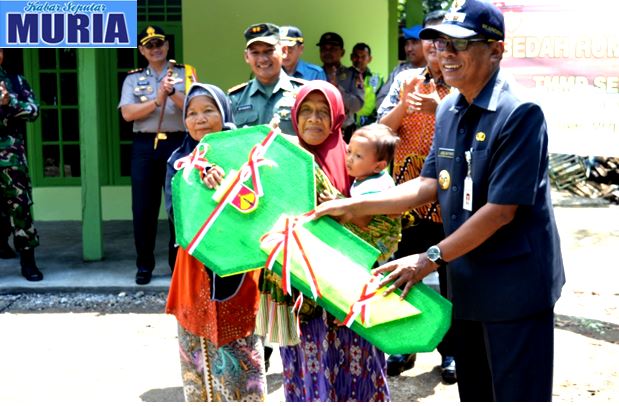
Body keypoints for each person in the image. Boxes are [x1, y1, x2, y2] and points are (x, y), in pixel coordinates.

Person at [314, 0, 566, 401]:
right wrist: (352, 205)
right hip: (466, 283)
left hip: (513, 287)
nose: (446, 54)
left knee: (518, 394)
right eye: (442, 43)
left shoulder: (519, 114)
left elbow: (500, 212)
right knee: (477, 392)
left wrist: (427, 258)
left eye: (461, 45)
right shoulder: (449, 108)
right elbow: (428, 183)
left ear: (496, 50)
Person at [279, 81, 395, 401]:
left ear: (337, 118)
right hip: (304, 298)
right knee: (308, 375)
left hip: (351, 297)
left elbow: (383, 225)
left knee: (358, 373)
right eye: (306, 111)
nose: (314, 119)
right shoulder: (283, 162)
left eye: (322, 112)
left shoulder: (358, 162)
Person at [165, 83, 266, 402]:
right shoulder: (178, 161)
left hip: (235, 265)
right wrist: (200, 185)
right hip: (192, 268)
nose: (200, 119)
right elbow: (176, 214)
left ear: (224, 113)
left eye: (209, 110)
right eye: (191, 113)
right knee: (197, 352)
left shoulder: (245, 153)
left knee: (240, 349)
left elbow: (257, 209)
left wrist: (229, 186)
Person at [377, 9, 457, 383]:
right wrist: (402, 106)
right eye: (428, 39)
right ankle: (403, 344)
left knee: (451, 278)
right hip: (407, 198)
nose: (434, 47)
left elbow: (474, 122)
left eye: (441, 40)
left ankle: (452, 352)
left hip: (452, 201)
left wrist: (439, 108)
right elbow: (380, 130)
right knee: (404, 274)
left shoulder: (464, 81)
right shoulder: (406, 79)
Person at [119, 25, 196, 285]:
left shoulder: (185, 73)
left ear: (167, 45)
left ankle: (178, 266)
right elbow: (128, 114)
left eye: (159, 43)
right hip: (144, 145)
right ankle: (144, 265)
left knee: (179, 206)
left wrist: (172, 93)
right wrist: (156, 101)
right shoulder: (132, 79)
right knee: (143, 207)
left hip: (177, 142)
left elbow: (195, 107)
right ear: (142, 50)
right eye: (149, 45)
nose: (155, 49)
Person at [0, 48, 42, 281]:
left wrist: (10, 101)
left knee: (20, 209)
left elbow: (33, 111)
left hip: (11, 158)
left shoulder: (15, 81)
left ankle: (28, 262)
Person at [229, 23, 305, 136]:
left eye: (269, 51)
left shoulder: (302, 93)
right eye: (255, 52)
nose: (262, 59)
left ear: (284, 51)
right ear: (246, 56)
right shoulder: (235, 99)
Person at [317, 32, 364, 142]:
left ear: (342, 52)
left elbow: (357, 105)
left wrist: (337, 89)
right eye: (324, 48)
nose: (327, 52)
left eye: (332, 48)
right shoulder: (315, 74)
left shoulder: (353, 75)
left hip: (344, 134)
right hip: (319, 131)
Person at [375, 24, 426, 109]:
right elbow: (380, 100)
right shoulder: (399, 71)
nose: (409, 49)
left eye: (414, 43)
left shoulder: (434, 70)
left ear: (425, 44)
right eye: (407, 44)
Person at [350, 43, 385, 127]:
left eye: (363, 57)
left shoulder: (377, 79)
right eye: (356, 56)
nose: (359, 60)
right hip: (346, 125)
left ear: (369, 59)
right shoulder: (343, 77)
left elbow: (381, 103)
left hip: (369, 125)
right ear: (351, 57)